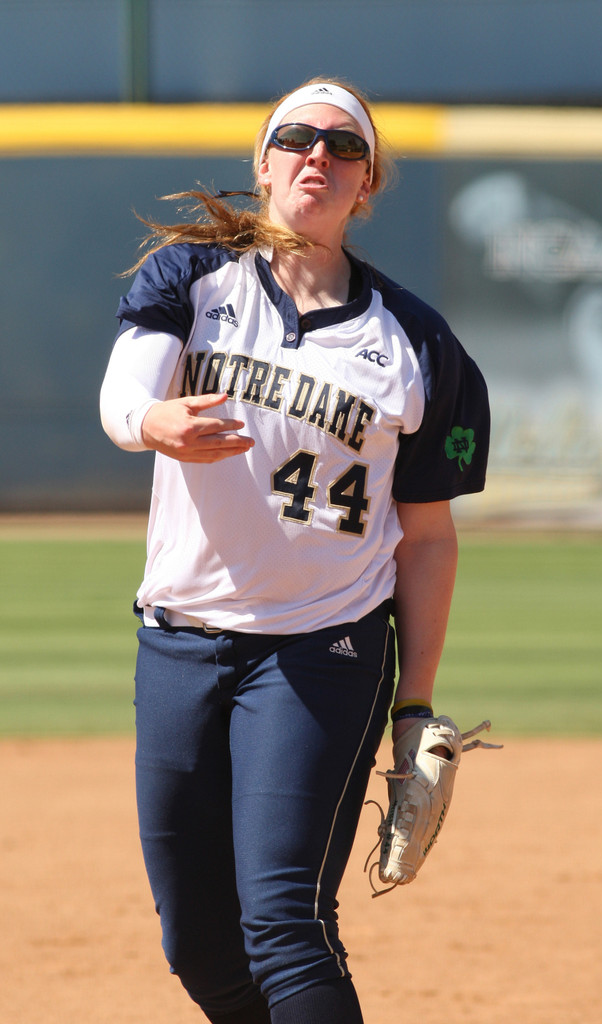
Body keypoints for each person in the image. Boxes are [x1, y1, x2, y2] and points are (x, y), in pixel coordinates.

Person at [100, 78, 490, 1024]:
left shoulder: (417, 344)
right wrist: (152, 421)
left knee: (284, 923)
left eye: (344, 145)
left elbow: (426, 539)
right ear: (264, 164)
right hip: (180, 640)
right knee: (198, 943)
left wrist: (414, 707)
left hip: (323, 650)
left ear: (367, 183)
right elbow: (122, 400)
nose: (318, 154)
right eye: (297, 137)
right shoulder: (193, 279)